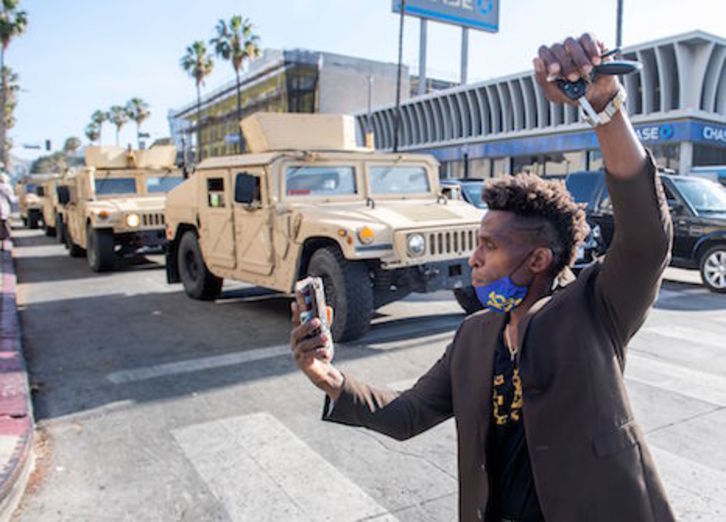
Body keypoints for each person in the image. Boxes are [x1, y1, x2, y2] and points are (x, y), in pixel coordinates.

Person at [290, 33, 675, 522]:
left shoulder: (595, 309)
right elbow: (408, 414)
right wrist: (327, 376)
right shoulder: (474, 336)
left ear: (537, 260)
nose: (473, 259)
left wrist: (601, 104)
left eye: (489, 247)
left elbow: (646, 237)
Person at [0, 172, 16, 251]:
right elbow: (11, 199)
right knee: (5, 228)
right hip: (3, 210)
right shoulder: (7, 187)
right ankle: (4, 245)